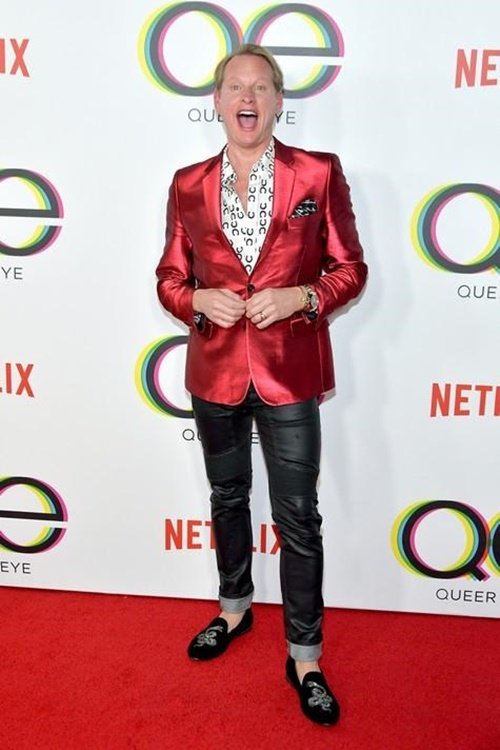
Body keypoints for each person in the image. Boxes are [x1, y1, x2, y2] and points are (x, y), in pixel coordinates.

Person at [156, 43, 367, 726]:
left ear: (278, 101)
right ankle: (234, 607)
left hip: (290, 373)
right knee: (227, 497)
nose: (247, 98)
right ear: (217, 102)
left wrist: (303, 297)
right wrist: (195, 300)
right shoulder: (187, 183)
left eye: (260, 87)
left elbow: (351, 268)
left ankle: (305, 656)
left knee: (298, 516)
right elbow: (169, 276)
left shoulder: (318, 172)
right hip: (213, 371)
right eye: (234, 87)